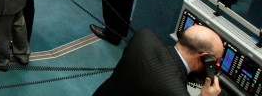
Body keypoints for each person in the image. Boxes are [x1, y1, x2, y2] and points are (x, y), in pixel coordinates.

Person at [92, 25, 223, 96]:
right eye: (216, 61)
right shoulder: (176, 92)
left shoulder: (144, 36)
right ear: (204, 58)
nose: (217, 65)